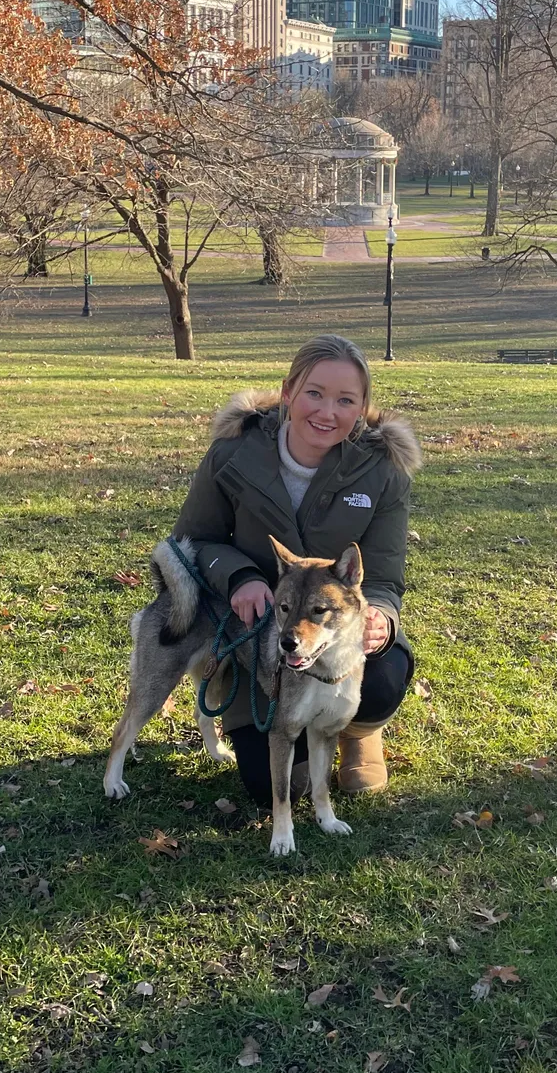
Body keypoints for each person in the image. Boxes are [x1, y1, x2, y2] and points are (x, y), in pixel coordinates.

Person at [173, 335, 420, 805]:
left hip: (334, 626)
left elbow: (385, 575)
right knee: (270, 787)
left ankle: (356, 731)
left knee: (384, 676)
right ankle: (299, 734)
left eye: (346, 400)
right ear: (288, 392)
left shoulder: (383, 470)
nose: (327, 412)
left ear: (363, 406)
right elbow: (193, 541)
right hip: (260, 636)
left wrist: (382, 618)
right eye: (314, 393)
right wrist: (241, 576)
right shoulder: (233, 452)